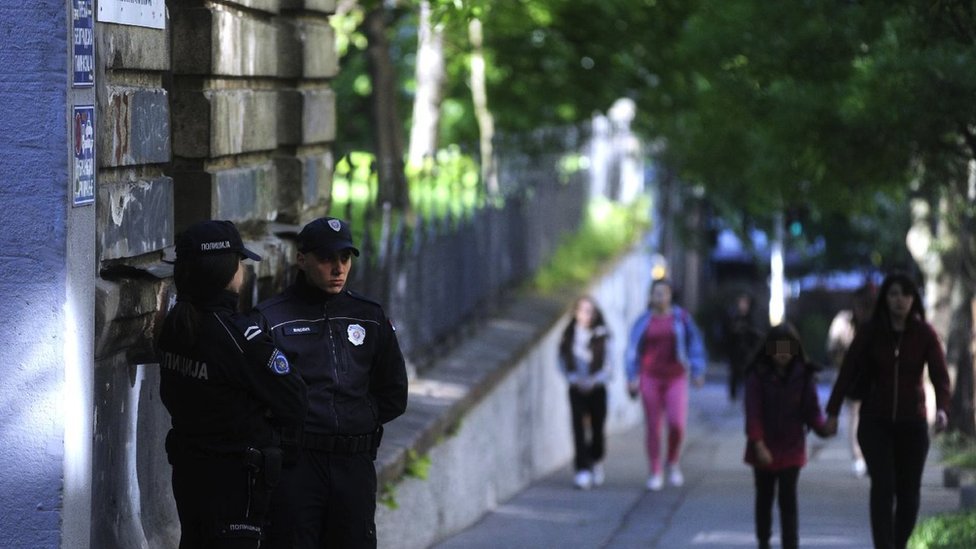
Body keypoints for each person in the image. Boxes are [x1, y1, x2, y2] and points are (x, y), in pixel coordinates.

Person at [256, 216, 409, 549]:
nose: (337, 268)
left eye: (345, 258)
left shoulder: (368, 316)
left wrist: (358, 418)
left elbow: (394, 393)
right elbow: (256, 397)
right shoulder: (272, 318)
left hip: (353, 464)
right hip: (298, 465)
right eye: (326, 259)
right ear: (302, 259)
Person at [158, 220, 308, 549]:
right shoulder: (239, 336)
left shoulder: (175, 325)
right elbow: (294, 397)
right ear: (228, 271)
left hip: (190, 473)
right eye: (240, 262)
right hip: (233, 484)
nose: (242, 270)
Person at [823, 271, 951, 549]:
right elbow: (847, 372)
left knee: (909, 493)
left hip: (912, 423)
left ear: (913, 299)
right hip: (875, 422)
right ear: (885, 298)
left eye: (905, 294)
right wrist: (832, 412)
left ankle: (897, 543)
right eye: (893, 294)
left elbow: (940, 376)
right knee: (883, 487)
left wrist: (942, 409)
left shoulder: (924, 334)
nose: (900, 300)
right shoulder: (870, 332)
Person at [744, 323, 829, 549]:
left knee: (788, 500)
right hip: (763, 447)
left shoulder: (804, 376)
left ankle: (790, 543)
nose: (782, 353)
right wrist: (759, 444)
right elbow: (753, 413)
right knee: (764, 498)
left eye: (788, 347)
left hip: (791, 448)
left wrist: (824, 427)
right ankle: (763, 540)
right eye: (778, 347)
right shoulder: (758, 376)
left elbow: (812, 411)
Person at [625, 278, 707, 491]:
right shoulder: (643, 321)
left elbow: (694, 344)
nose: (660, 297)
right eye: (656, 293)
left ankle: (672, 460)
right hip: (650, 377)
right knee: (653, 426)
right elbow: (632, 350)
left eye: (664, 292)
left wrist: (697, 370)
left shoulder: (681, 318)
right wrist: (631, 377)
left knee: (677, 424)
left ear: (670, 295)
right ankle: (655, 470)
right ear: (651, 296)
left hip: (675, 377)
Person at [558, 296, 611, 490]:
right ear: (576, 313)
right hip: (576, 388)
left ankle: (596, 459)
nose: (586, 315)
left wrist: (594, 380)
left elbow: (608, 364)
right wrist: (574, 380)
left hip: (597, 388)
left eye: (590, 311)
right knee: (578, 428)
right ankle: (582, 469)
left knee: (598, 428)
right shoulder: (568, 335)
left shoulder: (602, 335)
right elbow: (562, 362)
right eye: (582, 310)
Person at [825, 283, 876, 477]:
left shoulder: (884, 327)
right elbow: (833, 351)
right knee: (855, 417)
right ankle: (859, 456)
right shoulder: (844, 322)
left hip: (878, 386)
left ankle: (868, 456)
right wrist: (832, 412)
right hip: (854, 382)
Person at [723, 291, 762, 402]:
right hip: (735, 352)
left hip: (748, 353)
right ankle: (733, 396)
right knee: (734, 374)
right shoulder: (732, 316)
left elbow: (756, 335)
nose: (743, 305)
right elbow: (727, 334)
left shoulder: (751, 318)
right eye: (741, 302)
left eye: (745, 302)